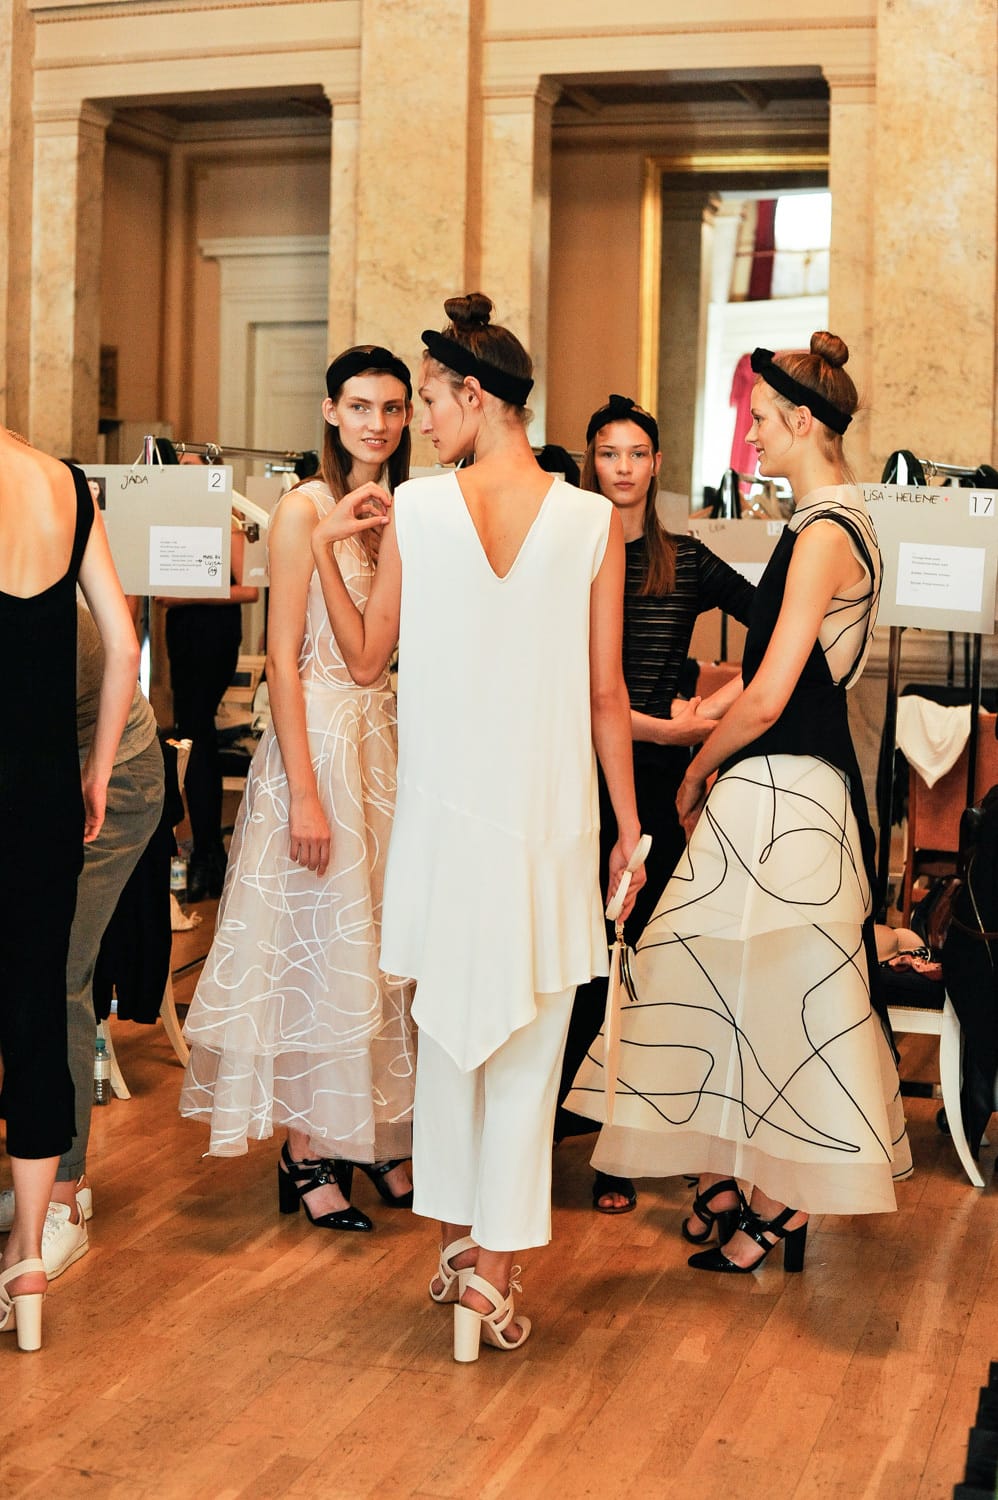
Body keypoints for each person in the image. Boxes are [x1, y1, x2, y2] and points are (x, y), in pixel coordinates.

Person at [310, 294, 645, 1359]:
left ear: (473, 393)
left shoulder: (414, 508)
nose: (417, 420)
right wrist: (627, 826)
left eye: (428, 399)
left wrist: (321, 547)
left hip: (445, 818)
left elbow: (366, 661)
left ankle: (465, 1249)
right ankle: (488, 1273)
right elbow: (605, 694)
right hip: (547, 814)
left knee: (452, 1033)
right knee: (529, 1042)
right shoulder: (591, 519)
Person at [566, 334, 911, 1272]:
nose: (750, 433)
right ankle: (734, 1179)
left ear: (802, 420)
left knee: (770, 993)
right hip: (781, 783)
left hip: (785, 788)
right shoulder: (834, 521)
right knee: (729, 987)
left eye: (759, 419)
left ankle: (777, 1199)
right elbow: (766, 686)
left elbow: (767, 696)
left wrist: (692, 767)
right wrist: (706, 731)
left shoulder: (826, 532)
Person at [179, 346, 417, 1230]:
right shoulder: (301, 508)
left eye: (392, 408)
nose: (376, 424)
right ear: (329, 412)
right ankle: (305, 1150)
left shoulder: (400, 514)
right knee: (316, 949)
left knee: (376, 947)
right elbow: (282, 659)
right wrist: (305, 796)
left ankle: (373, 1134)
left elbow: (385, 654)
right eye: (359, 406)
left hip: (379, 745)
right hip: (312, 743)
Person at [554, 395, 755, 1214]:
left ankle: (619, 1148)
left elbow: (781, 627)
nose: (624, 468)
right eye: (609, 453)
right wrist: (670, 728)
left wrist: (715, 710)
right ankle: (552, 1121)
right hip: (578, 772)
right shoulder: (567, 551)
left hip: (660, 782)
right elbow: (574, 691)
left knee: (639, 959)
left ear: (658, 464)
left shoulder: (688, 560)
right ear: (591, 462)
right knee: (576, 959)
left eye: (637, 453)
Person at [0, 429, 138, 1349]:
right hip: (45, 795)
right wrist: (95, 771)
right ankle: (26, 1255)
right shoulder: (62, 484)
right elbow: (123, 645)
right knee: (38, 1015)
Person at [0, 605, 163, 1277]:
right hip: (41, 775)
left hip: (108, 781)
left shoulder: (29, 596)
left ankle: (62, 1198)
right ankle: (37, 1173)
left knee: (54, 973)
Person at [160, 450, 259, 902]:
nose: (183, 473)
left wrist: (184, 596)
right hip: (180, 633)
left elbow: (249, 589)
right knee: (190, 730)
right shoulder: (173, 519)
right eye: (178, 467)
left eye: (190, 466)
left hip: (214, 634)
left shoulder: (229, 520)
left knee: (196, 731)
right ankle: (206, 853)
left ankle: (207, 854)